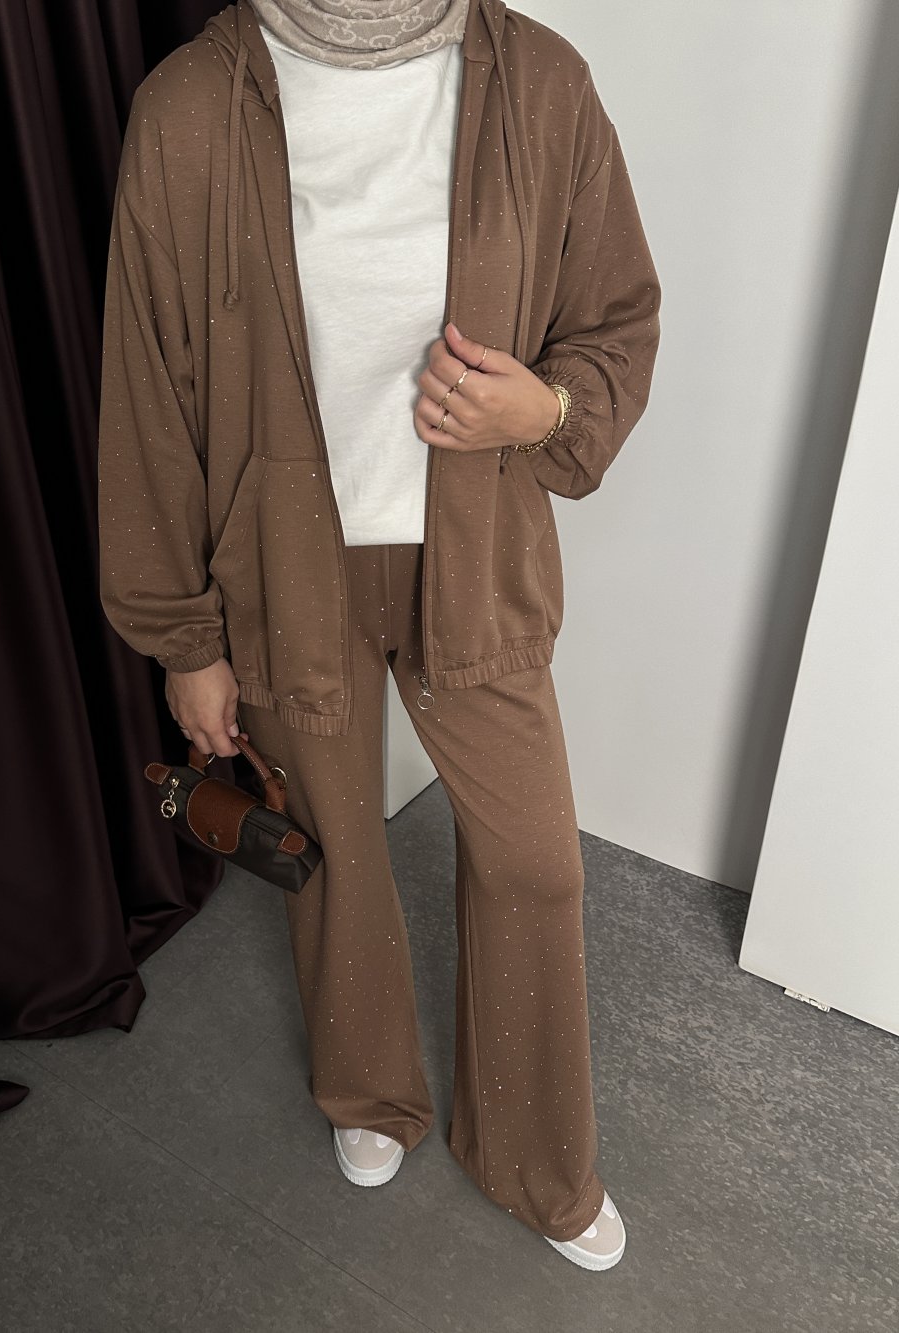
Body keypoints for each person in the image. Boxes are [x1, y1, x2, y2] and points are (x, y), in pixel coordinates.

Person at [97, 0, 661, 1273]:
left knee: (534, 866)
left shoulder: (540, 82)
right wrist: (184, 638)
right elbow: (147, 393)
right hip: (282, 556)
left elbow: (614, 315)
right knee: (334, 850)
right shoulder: (189, 107)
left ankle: (537, 1159)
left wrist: (544, 409)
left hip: (475, 544)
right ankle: (366, 1088)